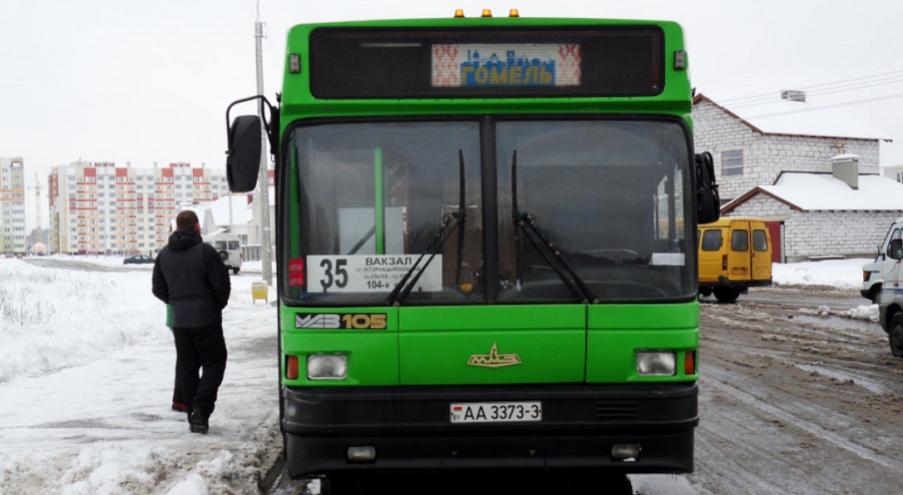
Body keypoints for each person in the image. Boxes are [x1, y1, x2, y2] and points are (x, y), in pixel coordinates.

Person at [152, 210, 231, 434]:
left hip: (180, 321)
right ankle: (201, 409)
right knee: (215, 362)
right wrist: (215, 305)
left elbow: (157, 288)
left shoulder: (164, 255)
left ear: (177, 228)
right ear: (197, 227)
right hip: (207, 319)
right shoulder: (205, 252)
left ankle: (193, 416)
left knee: (187, 366)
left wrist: (176, 302)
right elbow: (221, 285)